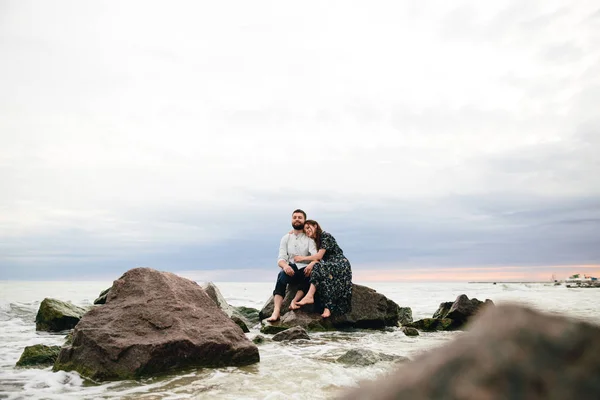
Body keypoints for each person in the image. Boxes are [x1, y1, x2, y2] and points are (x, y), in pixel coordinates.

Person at [266, 209, 317, 322]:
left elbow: (316, 257)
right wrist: (285, 266)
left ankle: (294, 301)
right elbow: (281, 259)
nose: (297, 219)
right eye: (295, 217)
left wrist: (311, 265)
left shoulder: (310, 238)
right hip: (291, 269)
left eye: (300, 217)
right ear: (291, 220)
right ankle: (276, 311)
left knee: (310, 273)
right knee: (281, 276)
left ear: (304, 220)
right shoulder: (286, 238)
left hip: (305, 270)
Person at [295, 220, 353, 318]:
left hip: (340, 264)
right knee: (322, 275)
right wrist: (293, 232)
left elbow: (319, 256)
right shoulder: (314, 241)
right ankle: (327, 309)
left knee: (317, 267)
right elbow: (317, 258)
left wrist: (302, 258)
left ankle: (310, 296)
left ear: (315, 226)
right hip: (328, 264)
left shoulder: (325, 236)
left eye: (309, 228)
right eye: (305, 230)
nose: (307, 231)